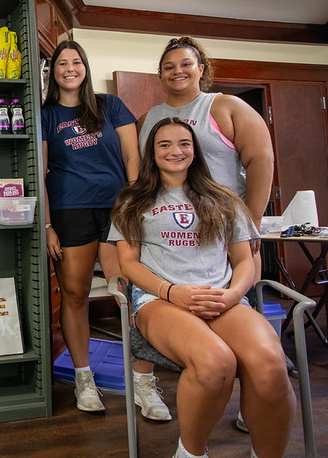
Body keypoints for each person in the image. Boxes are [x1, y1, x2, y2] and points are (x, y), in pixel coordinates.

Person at [111, 117, 294, 458]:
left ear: (195, 150)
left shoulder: (223, 197)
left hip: (222, 298)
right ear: (152, 152)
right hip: (160, 299)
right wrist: (171, 292)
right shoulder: (132, 199)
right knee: (215, 362)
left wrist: (233, 295)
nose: (175, 151)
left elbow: (243, 262)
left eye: (184, 143)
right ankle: (191, 452)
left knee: (271, 364)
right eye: (164, 144)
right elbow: (129, 264)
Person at [41, 41, 169, 420]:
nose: (69, 68)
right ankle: (84, 378)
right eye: (61, 63)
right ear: (52, 72)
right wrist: (48, 225)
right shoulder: (47, 114)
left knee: (128, 293)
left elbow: (133, 158)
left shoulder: (110, 105)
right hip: (69, 209)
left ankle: (143, 385)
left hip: (117, 208)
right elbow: (42, 171)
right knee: (75, 293)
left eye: (76, 61)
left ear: (85, 66)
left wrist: (136, 208)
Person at [137, 36, 274, 280]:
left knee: (236, 306)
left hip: (226, 230)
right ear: (160, 75)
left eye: (186, 64)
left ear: (201, 69)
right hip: (170, 238)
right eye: (168, 67)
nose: (177, 71)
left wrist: (252, 221)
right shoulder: (146, 120)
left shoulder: (226, 106)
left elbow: (261, 160)